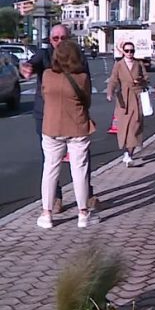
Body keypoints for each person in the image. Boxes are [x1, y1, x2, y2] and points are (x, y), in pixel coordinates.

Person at [21, 24, 97, 213]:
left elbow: (86, 86)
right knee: (51, 162)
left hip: (74, 115)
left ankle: (86, 195)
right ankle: (55, 198)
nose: (60, 42)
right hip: (47, 116)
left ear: (69, 38)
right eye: (56, 39)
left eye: (63, 38)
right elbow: (33, 63)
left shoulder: (79, 57)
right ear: (50, 40)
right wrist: (27, 67)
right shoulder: (44, 54)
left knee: (81, 160)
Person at [38, 40, 99, 229]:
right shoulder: (82, 78)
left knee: (50, 169)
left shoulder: (47, 75)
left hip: (52, 127)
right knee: (79, 169)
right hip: (77, 126)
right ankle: (83, 214)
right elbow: (87, 100)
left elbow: (43, 95)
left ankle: (47, 214)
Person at [106, 42, 149, 167]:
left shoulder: (139, 64)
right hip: (123, 99)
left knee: (135, 125)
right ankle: (126, 152)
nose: (130, 53)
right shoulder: (118, 65)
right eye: (127, 51)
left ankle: (129, 154)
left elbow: (146, 78)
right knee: (123, 126)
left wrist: (140, 81)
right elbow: (113, 79)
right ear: (123, 52)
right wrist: (110, 92)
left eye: (132, 51)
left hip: (136, 97)